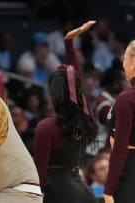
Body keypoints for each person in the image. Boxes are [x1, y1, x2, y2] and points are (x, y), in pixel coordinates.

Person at [34, 21, 98, 203]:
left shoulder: (46, 127)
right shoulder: (84, 118)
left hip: (57, 194)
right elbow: (76, 81)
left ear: (53, 94)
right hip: (84, 193)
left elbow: (40, 174)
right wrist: (69, 44)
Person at [104, 39, 135, 203]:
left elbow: (120, 147)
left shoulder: (127, 98)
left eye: (125, 58)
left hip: (129, 172)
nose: (123, 64)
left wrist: (108, 191)